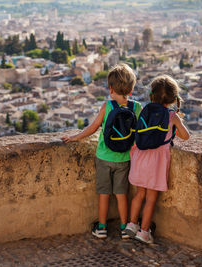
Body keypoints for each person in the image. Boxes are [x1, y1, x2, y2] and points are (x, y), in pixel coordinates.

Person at [61, 63, 141, 239]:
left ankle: (102, 228)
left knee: (104, 194)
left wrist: (75, 137)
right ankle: (123, 228)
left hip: (104, 157)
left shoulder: (108, 106)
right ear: (131, 89)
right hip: (124, 158)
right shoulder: (136, 107)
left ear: (110, 88)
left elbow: (93, 128)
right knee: (121, 195)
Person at [125, 74, 190, 244]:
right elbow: (186, 136)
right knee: (151, 198)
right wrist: (177, 122)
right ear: (173, 98)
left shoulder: (145, 110)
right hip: (156, 163)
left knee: (139, 194)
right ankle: (144, 232)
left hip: (140, 159)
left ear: (151, 94)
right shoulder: (171, 116)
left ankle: (131, 224)